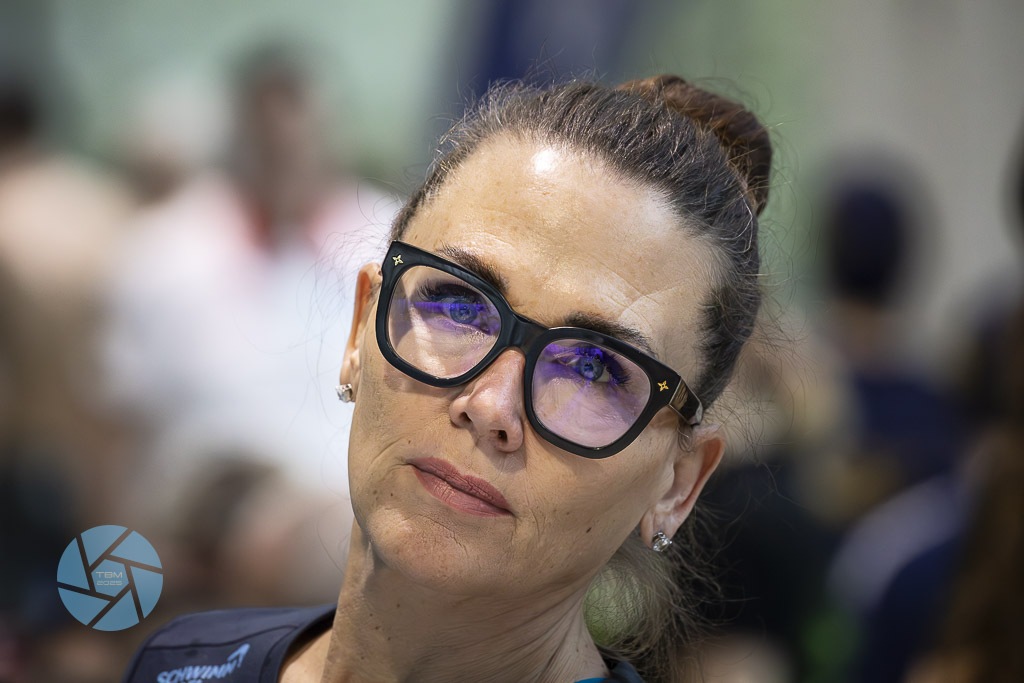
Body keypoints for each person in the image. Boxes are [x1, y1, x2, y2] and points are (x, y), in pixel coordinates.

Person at [122, 74, 773, 683]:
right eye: (459, 306)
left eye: (592, 368)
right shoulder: (180, 664)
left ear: (678, 482)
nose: (490, 405)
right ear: (359, 329)